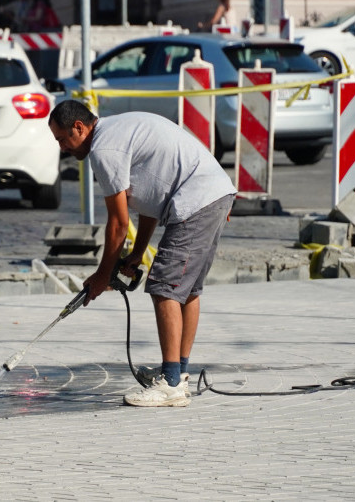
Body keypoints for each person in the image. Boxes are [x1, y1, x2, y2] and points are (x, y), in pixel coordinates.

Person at [48, 99, 236, 407]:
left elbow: (118, 225)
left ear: (79, 128)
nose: (62, 148)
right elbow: (149, 201)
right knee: (185, 291)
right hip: (213, 194)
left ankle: (171, 385)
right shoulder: (117, 131)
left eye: (62, 139)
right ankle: (178, 373)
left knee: (165, 286)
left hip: (198, 199)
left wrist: (102, 276)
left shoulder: (104, 150)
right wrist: (136, 254)